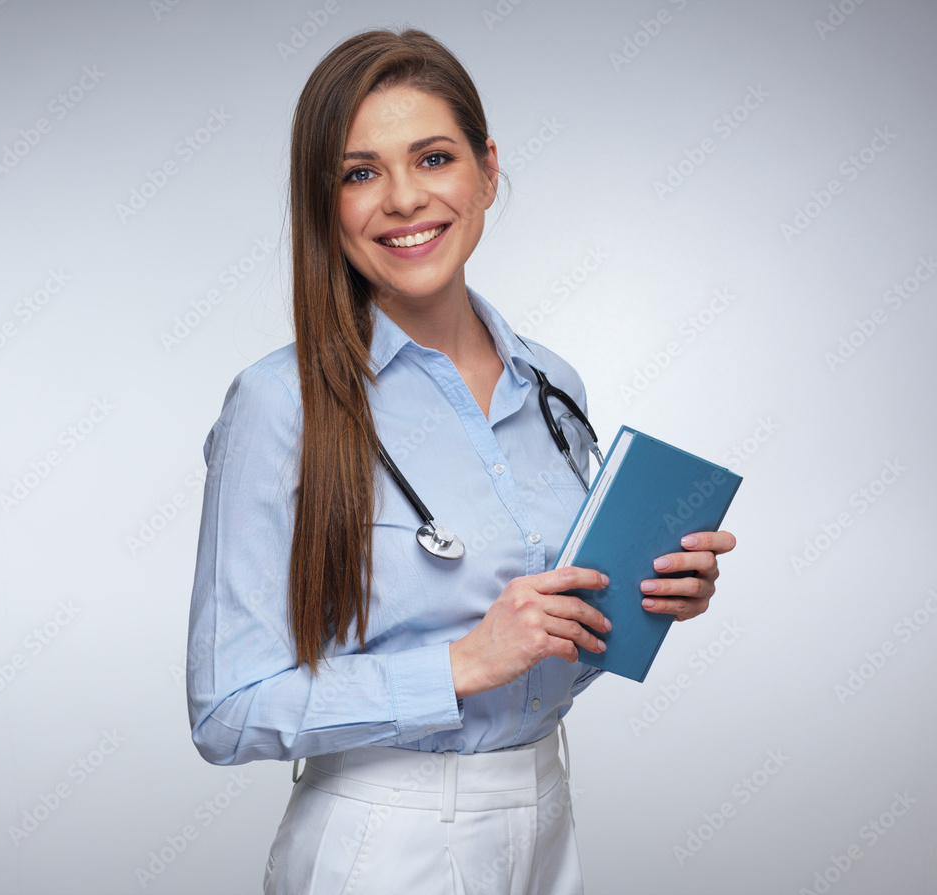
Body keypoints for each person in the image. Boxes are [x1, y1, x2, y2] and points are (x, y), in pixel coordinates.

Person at [186, 27, 736, 895]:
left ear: (485, 169)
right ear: (324, 202)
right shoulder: (282, 403)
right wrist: (457, 667)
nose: (403, 198)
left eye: (433, 157)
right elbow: (226, 711)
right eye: (359, 172)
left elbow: (545, 640)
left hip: (545, 811)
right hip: (383, 840)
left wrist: (645, 596)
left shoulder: (551, 382)